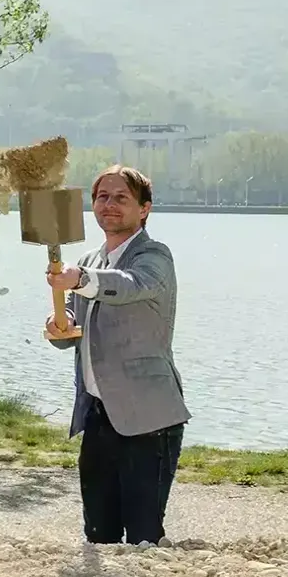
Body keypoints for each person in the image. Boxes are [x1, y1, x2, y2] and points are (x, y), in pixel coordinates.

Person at [46, 164, 189, 545]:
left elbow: (130, 285)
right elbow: (75, 331)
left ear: (144, 209)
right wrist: (58, 326)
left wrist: (79, 280)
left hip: (148, 419)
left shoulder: (155, 256)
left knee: (143, 537)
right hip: (96, 415)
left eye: (121, 198)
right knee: (98, 534)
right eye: (102, 197)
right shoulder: (90, 260)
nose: (110, 204)